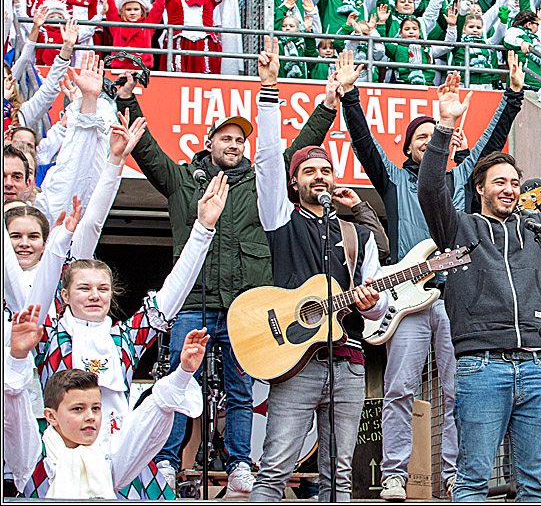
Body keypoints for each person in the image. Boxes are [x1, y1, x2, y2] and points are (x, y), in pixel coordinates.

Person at [115, 69, 341, 496]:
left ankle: (239, 460)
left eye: (240, 140)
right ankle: (166, 460)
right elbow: (146, 151)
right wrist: (127, 100)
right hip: (192, 302)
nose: (234, 145)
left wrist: (327, 105)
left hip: (246, 305)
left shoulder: (261, 183)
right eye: (226, 138)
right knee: (179, 382)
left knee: (240, 386)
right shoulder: (184, 179)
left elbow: (290, 151)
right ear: (210, 142)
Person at [335, 48, 525, 501]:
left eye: (433, 135)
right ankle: (396, 474)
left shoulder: (463, 179)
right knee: (400, 387)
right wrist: (349, 97)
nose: (428, 142)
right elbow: (363, 140)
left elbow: (494, 138)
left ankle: (453, 474)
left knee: (458, 390)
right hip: (407, 302)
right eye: (419, 138)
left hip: (459, 297)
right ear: (409, 148)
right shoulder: (394, 180)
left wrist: (514, 96)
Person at [418, 70, 541, 501]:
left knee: (536, 484)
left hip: (537, 367)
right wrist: (444, 128)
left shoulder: (540, 228)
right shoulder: (460, 229)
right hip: (482, 368)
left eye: (514, 183)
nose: (510, 189)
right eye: (499, 182)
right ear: (479, 188)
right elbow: (430, 189)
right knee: (473, 481)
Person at [250, 45, 388, 502]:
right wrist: (269, 91)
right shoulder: (280, 218)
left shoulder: (355, 234)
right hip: (295, 364)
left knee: (340, 477)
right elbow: (268, 161)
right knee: (273, 472)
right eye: (309, 171)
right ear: (295, 183)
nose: (320, 176)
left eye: (326, 169)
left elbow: (379, 304)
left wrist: (373, 305)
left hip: (348, 364)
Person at [4, 304, 207, 500]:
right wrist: (18, 356)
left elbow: (151, 416)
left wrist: (184, 372)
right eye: (77, 409)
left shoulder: (108, 458)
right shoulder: (33, 456)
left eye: (96, 408)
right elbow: (13, 409)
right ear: (51, 416)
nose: (90, 417)